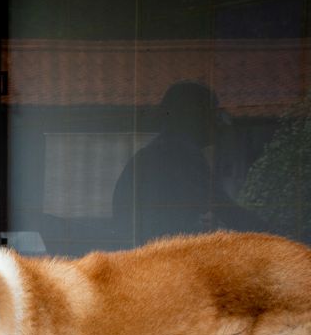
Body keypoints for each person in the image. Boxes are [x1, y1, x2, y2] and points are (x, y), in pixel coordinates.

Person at [112, 81, 263, 244]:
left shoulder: (157, 152)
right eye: (211, 113)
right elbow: (227, 210)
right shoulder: (179, 154)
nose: (217, 122)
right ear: (192, 116)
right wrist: (274, 236)